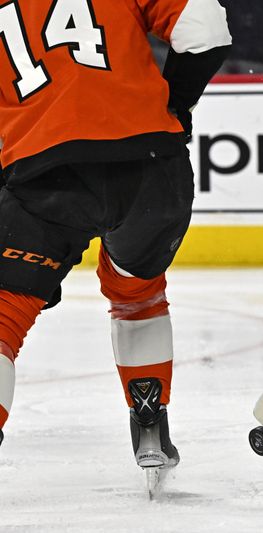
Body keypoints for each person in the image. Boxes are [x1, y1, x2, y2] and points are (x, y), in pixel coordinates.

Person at [0, 0, 231, 481]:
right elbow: (205, 26)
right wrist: (175, 104)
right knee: (136, 290)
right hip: (151, 167)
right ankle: (150, 419)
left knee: (3, 316)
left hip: (44, 175)